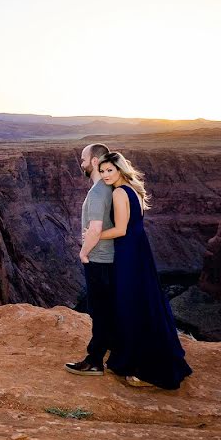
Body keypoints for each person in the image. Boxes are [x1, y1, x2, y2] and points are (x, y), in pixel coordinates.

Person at [92, 151, 192, 389]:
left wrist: (94, 236)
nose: (105, 175)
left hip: (127, 252)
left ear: (120, 169)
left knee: (128, 303)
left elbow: (121, 230)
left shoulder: (118, 192)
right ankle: (150, 353)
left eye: (110, 170)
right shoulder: (134, 190)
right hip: (140, 250)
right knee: (144, 300)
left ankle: (139, 364)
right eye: (103, 170)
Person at [65, 143, 116, 377]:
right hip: (109, 259)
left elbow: (95, 229)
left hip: (98, 259)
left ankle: (95, 360)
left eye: (84, 158)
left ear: (95, 161)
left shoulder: (97, 192)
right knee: (107, 309)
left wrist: (83, 253)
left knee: (99, 311)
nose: (81, 162)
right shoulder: (109, 187)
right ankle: (112, 351)